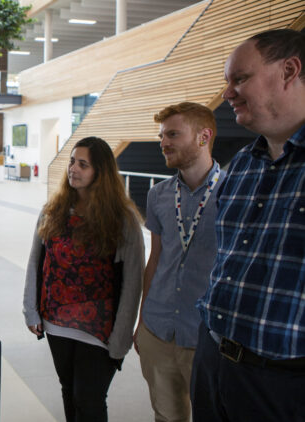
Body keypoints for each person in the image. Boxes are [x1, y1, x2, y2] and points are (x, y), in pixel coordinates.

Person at [191, 29, 305, 421]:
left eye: (240, 79)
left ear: (289, 70)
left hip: (281, 383)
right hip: (212, 361)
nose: (227, 92)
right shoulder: (240, 164)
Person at [23, 137, 144, 422]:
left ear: (100, 172)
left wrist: (122, 337)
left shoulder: (122, 219)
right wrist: (31, 309)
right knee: (69, 392)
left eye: (83, 164)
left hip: (100, 330)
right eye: (72, 162)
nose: (73, 169)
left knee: (88, 400)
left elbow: (132, 281)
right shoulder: (53, 210)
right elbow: (36, 262)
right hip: (56, 323)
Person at [133, 102, 225, 422]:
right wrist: (142, 321)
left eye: (173, 134)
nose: (163, 143)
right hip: (157, 329)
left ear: (203, 137)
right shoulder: (158, 195)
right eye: (161, 136)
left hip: (206, 337)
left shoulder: (232, 193)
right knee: (166, 416)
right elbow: (155, 258)